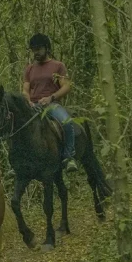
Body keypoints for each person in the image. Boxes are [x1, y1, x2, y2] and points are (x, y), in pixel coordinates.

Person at [22, 33, 77, 172]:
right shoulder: (29, 69)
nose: (36, 52)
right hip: (33, 106)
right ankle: (21, 161)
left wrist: (51, 98)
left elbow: (66, 86)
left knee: (67, 122)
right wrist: (28, 101)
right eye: (34, 50)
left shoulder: (58, 66)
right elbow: (25, 89)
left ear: (47, 48)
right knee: (18, 125)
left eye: (39, 49)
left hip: (51, 105)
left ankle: (69, 157)